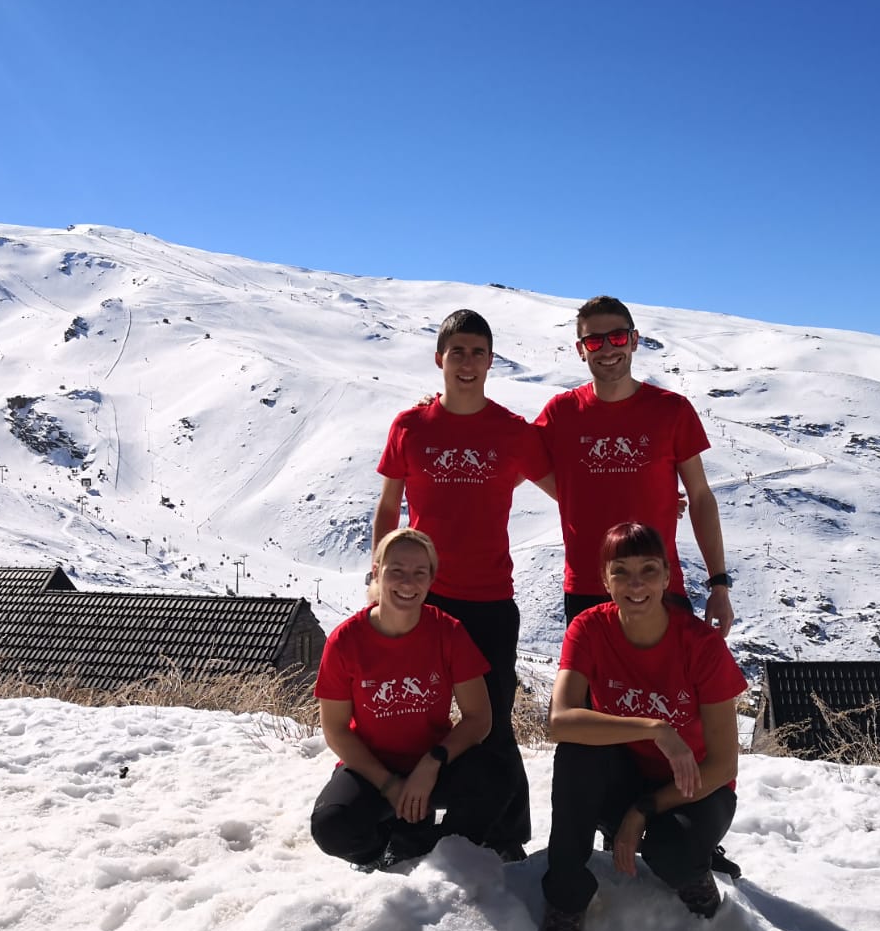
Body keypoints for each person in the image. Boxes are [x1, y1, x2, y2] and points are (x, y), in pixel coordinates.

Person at [372, 309, 553, 859]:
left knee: (491, 719)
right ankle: (402, 824)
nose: (468, 362)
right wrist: (378, 579)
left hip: (490, 599)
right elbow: (386, 507)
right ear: (440, 359)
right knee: (416, 718)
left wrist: (655, 505)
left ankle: (505, 835)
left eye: (478, 352)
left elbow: (573, 497)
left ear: (491, 361)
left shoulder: (512, 432)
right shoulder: (411, 427)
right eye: (459, 352)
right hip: (422, 598)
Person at [538, 521, 747, 931]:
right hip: (627, 772)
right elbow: (560, 720)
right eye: (622, 572)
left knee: (670, 853)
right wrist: (654, 727)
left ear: (668, 576)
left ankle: (693, 872)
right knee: (578, 750)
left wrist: (644, 809)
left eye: (648, 570)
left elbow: (723, 762)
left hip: (698, 785)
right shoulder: (589, 629)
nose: (636, 584)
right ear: (604, 580)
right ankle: (566, 899)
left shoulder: (701, 646)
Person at [311, 528, 513, 870]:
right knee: (332, 826)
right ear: (377, 572)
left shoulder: (448, 632)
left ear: (431, 579)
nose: (408, 583)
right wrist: (388, 784)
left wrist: (431, 764)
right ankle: (378, 852)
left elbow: (479, 718)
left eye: (419, 573)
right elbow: (336, 730)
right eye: (397, 571)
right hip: (370, 767)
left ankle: (431, 848)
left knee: (496, 777)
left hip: (433, 764)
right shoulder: (346, 641)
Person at [534, 295, 735, 634]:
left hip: (659, 588)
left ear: (635, 340)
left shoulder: (672, 411)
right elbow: (512, 452)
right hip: (588, 590)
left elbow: (700, 497)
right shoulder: (561, 413)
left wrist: (719, 583)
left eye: (617, 337)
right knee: (589, 689)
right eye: (595, 340)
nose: (608, 349)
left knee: (669, 688)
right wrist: (438, 406)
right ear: (581, 350)